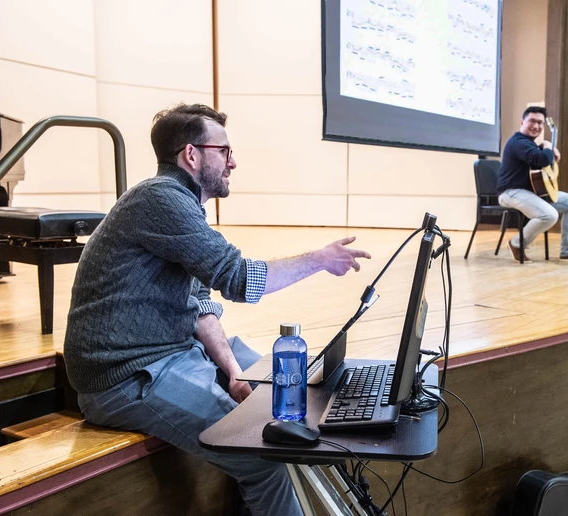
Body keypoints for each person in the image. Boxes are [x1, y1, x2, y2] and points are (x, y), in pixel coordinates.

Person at [63, 103, 371, 515]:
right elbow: (239, 279)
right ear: (191, 155)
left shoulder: (180, 206)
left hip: (172, 353)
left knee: (285, 391)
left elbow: (201, 302)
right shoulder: (159, 200)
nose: (234, 162)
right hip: (125, 377)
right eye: (224, 151)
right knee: (260, 460)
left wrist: (230, 369)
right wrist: (317, 259)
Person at [496, 106, 568, 263]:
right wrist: (548, 147)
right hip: (510, 192)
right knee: (549, 215)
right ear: (522, 122)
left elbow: (541, 165)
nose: (536, 126)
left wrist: (548, 154)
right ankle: (516, 244)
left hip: (530, 192)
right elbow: (540, 160)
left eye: (540, 123)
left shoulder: (531, 144)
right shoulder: (519, 142)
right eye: (532, 121)